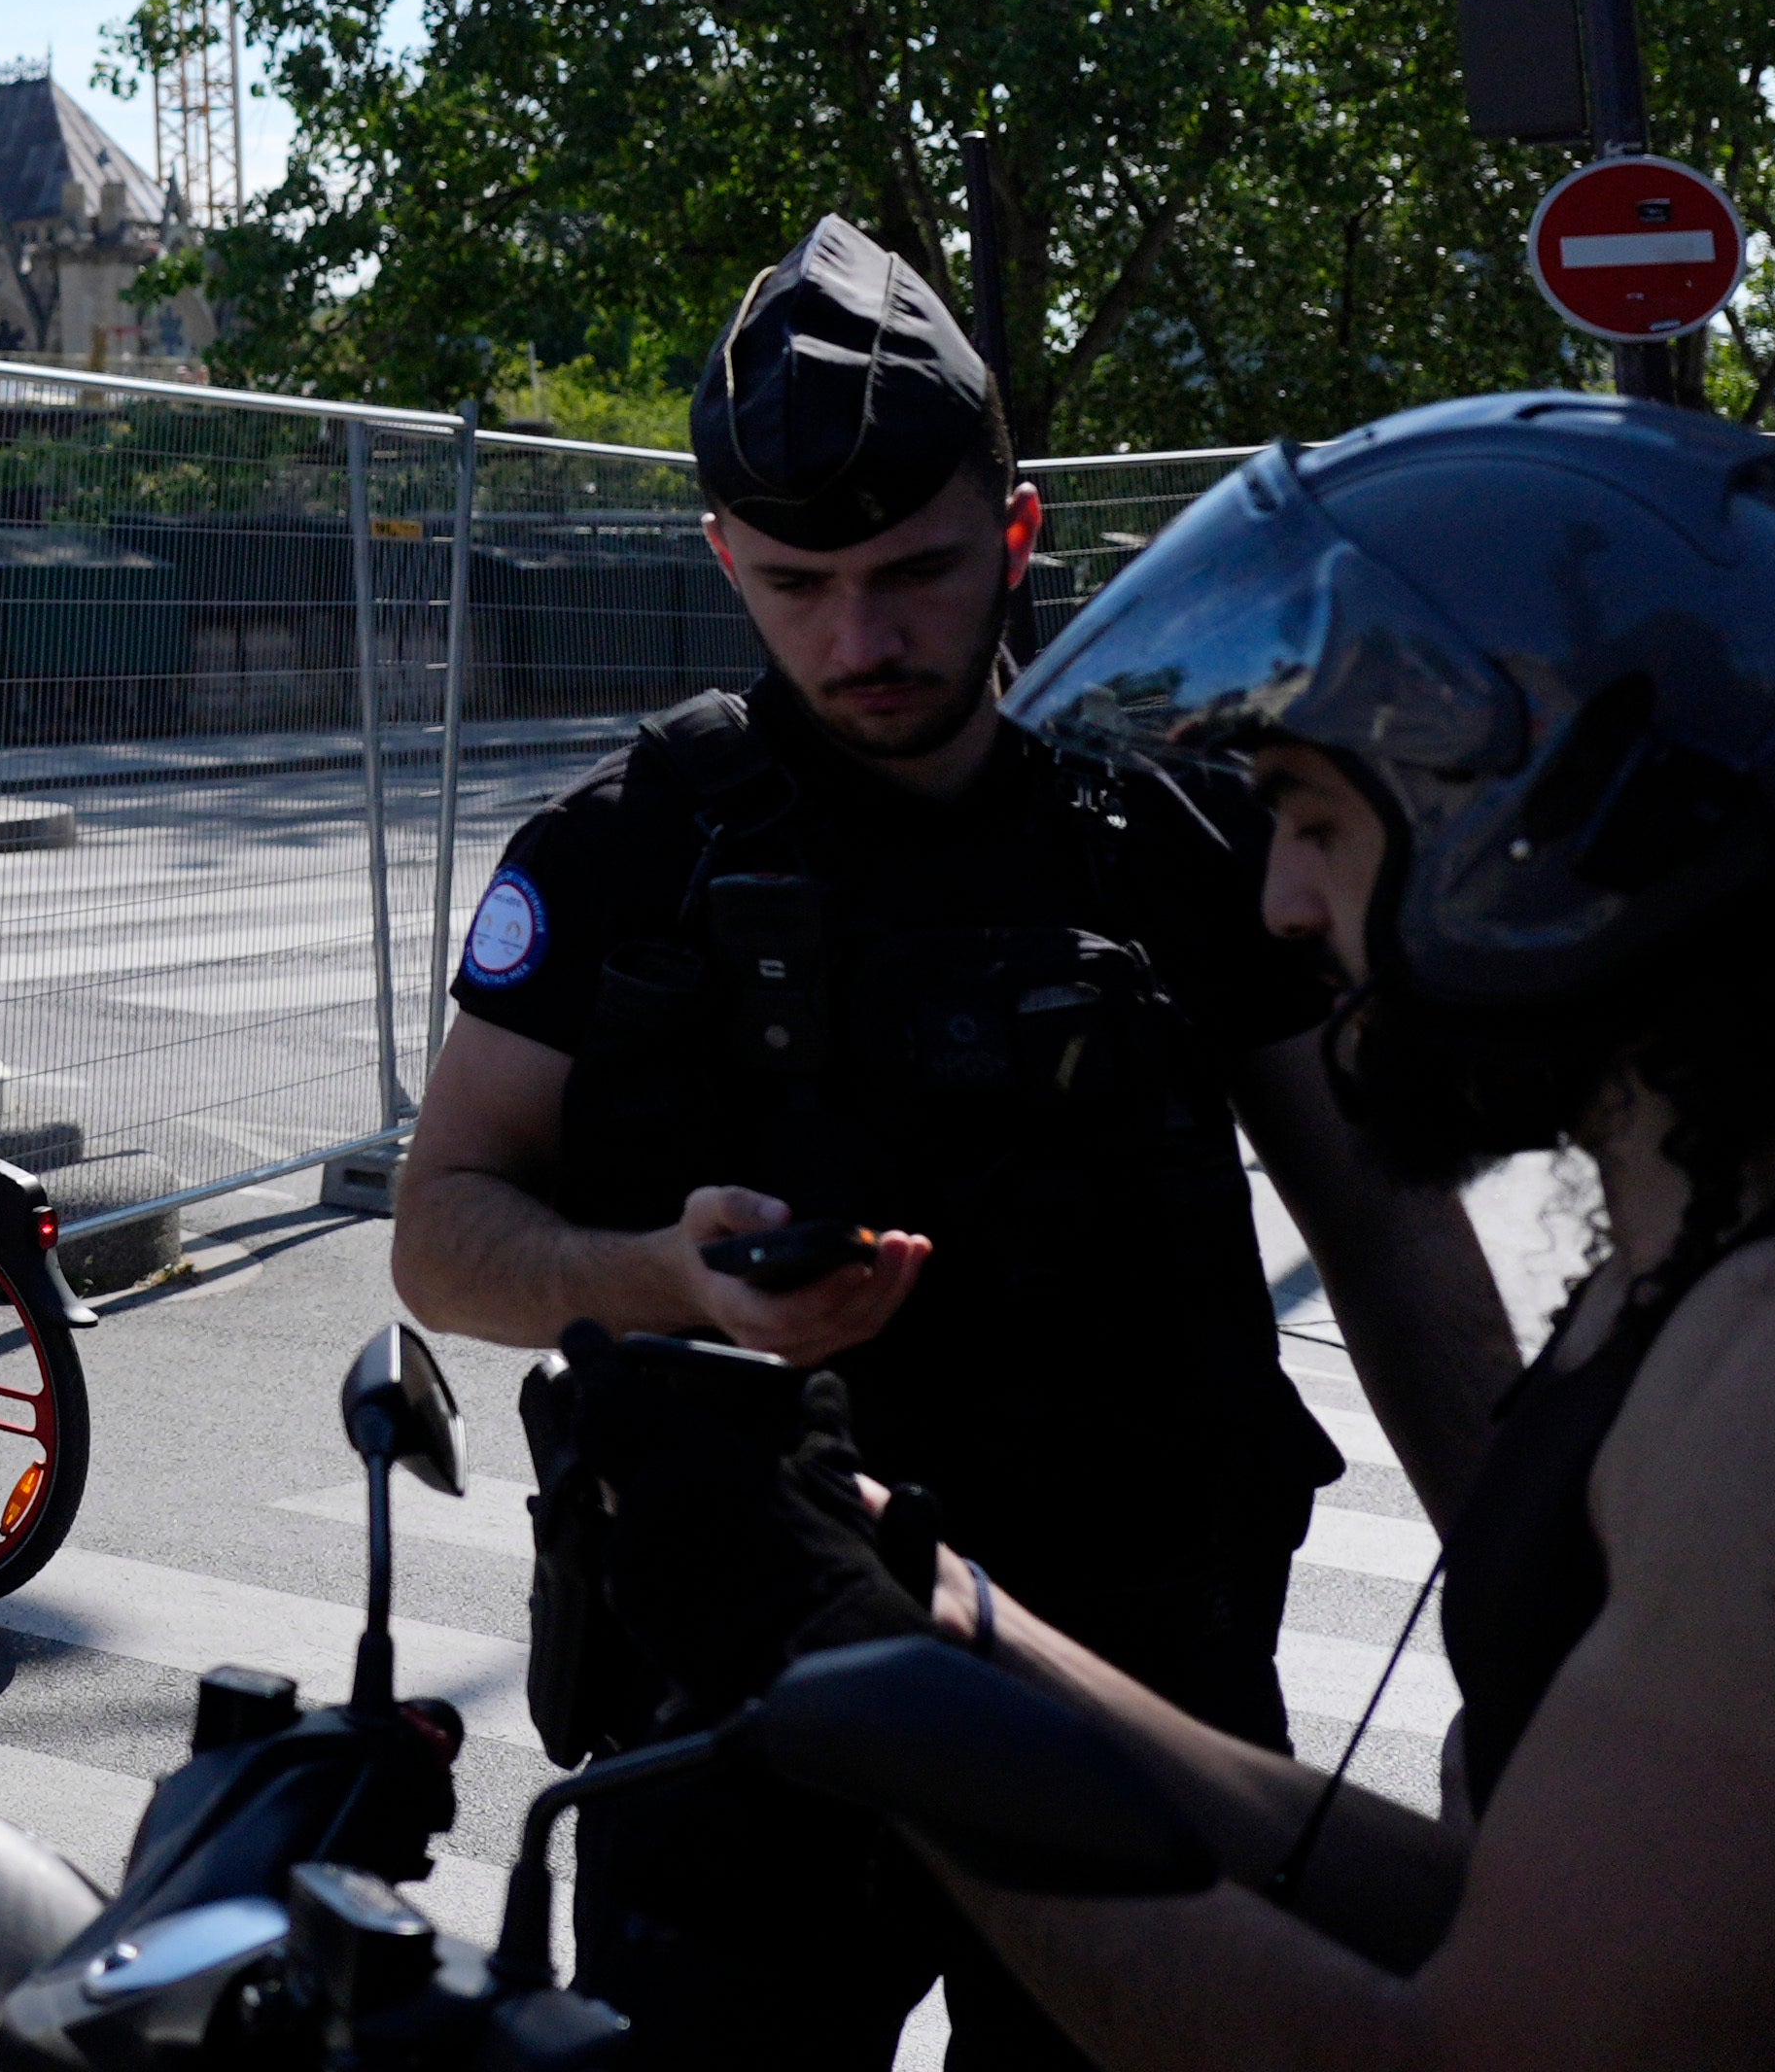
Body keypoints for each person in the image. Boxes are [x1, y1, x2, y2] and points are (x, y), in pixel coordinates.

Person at [586, 393, 1775, 2068]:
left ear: (1552, 838)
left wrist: (877, 1718)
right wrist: (928, 1614)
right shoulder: (1748, 1250)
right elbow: (1482, 1904)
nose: (1282, 903)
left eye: (1317, 818)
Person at [388, 217, 1518, 2068]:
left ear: (1020, 526)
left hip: (1143, 1689)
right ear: (721, 562)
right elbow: (443, 1230)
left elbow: (1395, 1244)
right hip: (748, 1702)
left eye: (914, 573)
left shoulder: (1181, 836)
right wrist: (660, 1277)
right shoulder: (622, 856)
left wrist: (1535, 1590)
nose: (863, 637)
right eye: (795, 584)